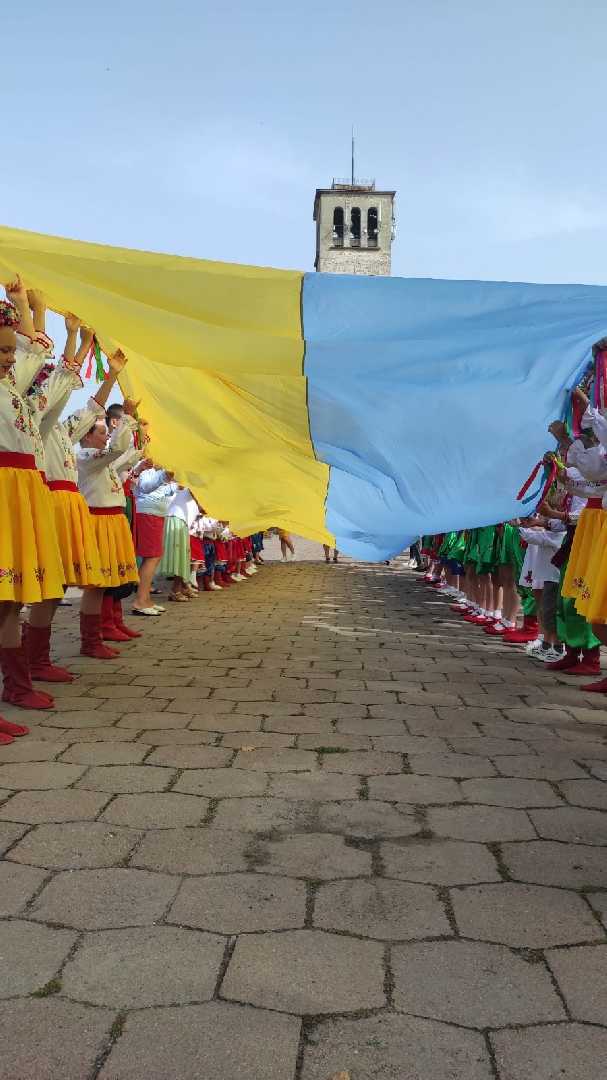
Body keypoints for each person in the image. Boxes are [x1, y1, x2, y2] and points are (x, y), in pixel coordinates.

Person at [0, 286, 65, 739]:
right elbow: (34, 348)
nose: (11, 356)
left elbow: (34, 348)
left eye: (9, 350)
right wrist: (28, 307)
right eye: (4, 350)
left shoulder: (10, 389)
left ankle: (18, 685)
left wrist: (29, 307)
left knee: (11, 598)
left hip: (19, 492)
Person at [77, 397, 141, 655]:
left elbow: (125, 455)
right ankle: (94, 636)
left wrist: (138, 434)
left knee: (112, 578)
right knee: (100, 581)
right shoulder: (85, 457)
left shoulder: (102, 461)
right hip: (99, 522)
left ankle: (110, 624)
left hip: (112, 521)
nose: (106, 438)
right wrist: (126, 418)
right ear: (87, 436)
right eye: (102, 433)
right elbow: (116, 451)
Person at [132, 466, 176, 615]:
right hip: (148, 513)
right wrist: (164, 475)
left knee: (154, 556)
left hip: (156, 513)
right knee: (151, 556)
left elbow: (160, 491)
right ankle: (140, 601)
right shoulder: (146, 468)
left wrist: (174, 484)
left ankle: (146, 599)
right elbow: (145, 487)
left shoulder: (157, 469)